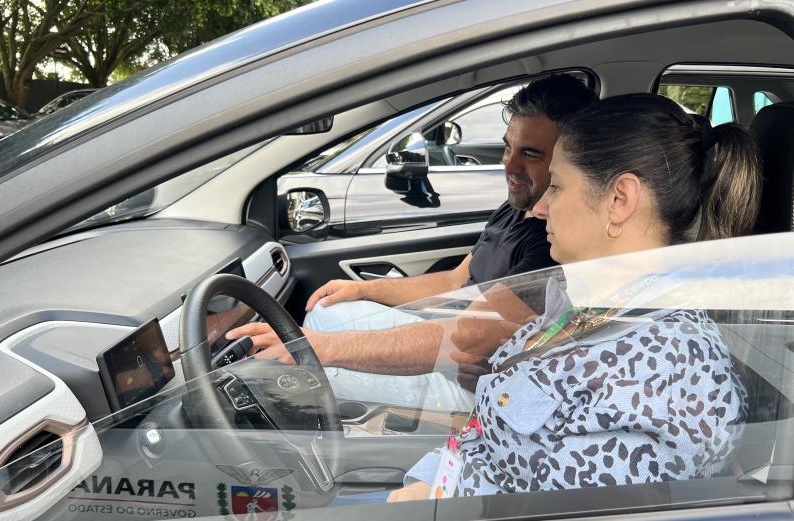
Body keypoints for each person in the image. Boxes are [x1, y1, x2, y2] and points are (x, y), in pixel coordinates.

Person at [386, 93, 759, 501]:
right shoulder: (594, 305)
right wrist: (425, 485)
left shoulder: (672, 373)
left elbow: (560, 520)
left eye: (557, 186)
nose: (540, 208)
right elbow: (498, 441)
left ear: (619, 199)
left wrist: (428, 501)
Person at [226, 74, 597, 410]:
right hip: (452, 342)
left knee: (285, 376)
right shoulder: (517, 207)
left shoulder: (553, 245)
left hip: (471, 384)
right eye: (507, 148)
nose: (509, 165)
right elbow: (455, 280)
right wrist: (365, 290)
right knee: (325, 309)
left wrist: (322, 348)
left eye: (530, 154)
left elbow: (467, 339)